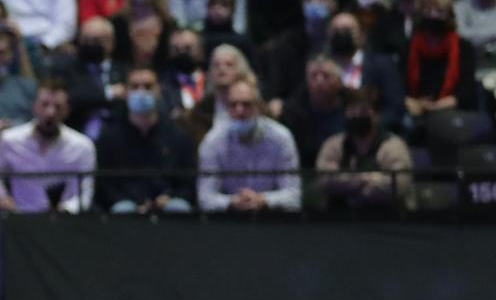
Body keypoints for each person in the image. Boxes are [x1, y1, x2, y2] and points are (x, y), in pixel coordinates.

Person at [94, 66, 196, 213]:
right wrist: (131, 201)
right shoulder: (109, 139)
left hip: (167, 204)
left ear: (158, 91)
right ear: (126, 92)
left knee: (178, 206)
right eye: (135, 87)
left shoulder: (178, 137)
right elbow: (104, 186)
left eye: (148, 87)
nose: (141, 92)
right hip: (127, 205)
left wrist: (170, 197)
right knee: (123, 209)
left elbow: (188, 183)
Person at [0, 80, 95, 213]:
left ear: (67, 111)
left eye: (58, 107)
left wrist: (66, 209)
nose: (50, 112)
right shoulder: (9, 140)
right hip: (20, 219)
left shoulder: (83, 147)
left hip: (65, 222)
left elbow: (86, 193)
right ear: (34, 106)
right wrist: (2, 197)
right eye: (45, 105)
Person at [197, 80, 300, 211]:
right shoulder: (212, 141)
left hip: (271, 217)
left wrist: (263, 200)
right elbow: (205, 197)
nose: (239, 110)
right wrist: (232, 201)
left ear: (259, 106)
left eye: (246, 104)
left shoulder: (281, 138)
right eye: (233, 105)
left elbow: (293, 195)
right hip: (228, 219)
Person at [315, 87, 412, 209]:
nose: (357, 114)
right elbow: (324, 181)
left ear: (377, 115)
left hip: (385, 220)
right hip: (338, 220)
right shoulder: (333, 145)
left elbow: (398, 185)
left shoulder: (393, 145)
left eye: (363, 110)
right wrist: (365, 178)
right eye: (352, 109)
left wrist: (346, 185)